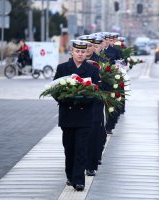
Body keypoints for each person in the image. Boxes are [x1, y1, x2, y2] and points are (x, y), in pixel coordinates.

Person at [53, 40, 100, 191]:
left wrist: (86, 98)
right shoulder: (62, 68)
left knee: (81, 148)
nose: (80, 54)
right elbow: (54, 90)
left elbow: (97, 92)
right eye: (77, 51)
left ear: (86, 53)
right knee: (69, 147)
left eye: (82, 52)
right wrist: (66, 98)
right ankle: (70, 175)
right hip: (67, 114)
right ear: (72, 52)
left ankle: (79, 180)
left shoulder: (92, 70)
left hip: (85, 115)